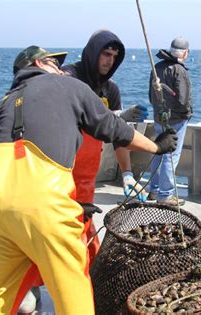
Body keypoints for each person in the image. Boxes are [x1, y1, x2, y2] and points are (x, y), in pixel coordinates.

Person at [0, 46, 177, 314]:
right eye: (55, 62)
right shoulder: (65, 85)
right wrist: (157, 147)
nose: (60, 67)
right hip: (45, 212)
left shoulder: (3, 104)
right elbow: (113, 127)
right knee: (74, 297)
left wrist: (69, 205)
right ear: (40, 64)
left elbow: (17, 176)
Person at [62, 30, 149, 206]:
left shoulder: (110, 89)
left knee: (82, 223)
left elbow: (118, 134)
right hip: (59, 167)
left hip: (87, 173)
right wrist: (113, 116)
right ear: (93, 52)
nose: (110, 61)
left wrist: (127, 174)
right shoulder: (67, 77)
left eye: (115, 57)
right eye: (106, 54)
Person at [148, 36, 192, 206]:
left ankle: (154, 189)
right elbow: (182, 100)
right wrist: (185, 113)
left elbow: (151, 96)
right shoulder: (179, 70)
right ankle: (165, 195)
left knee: (159, 151)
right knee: (171, 156)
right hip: (176, 120)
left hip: (159, 117)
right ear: (185, 53)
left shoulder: (157, 67)